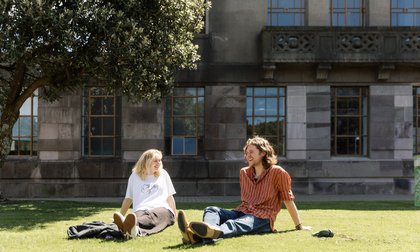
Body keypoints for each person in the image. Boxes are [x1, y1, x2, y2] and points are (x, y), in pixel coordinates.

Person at [177, 136, 311, 244]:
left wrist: (299, 226)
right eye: (246, 153)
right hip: (242, 211)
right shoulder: (244, 173)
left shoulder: (277, 172)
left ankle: (198, 235)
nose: (248, 156)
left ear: (263, 153)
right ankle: (204, 234)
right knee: (212, 209)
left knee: (233, 224)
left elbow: (288, 200)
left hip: (262, 218)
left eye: (251, 152)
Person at [113, 149, 177, 239]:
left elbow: (169, 196)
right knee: (138, 217)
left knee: (153, 218)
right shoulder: (134, 176)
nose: (158, 163)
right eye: (155, 160)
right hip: (141, 209)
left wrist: (175, 216)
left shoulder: (163, 174)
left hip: (162, 209)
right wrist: (121, 215)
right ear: (146, 161)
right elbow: (128, 199)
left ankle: (129, 226)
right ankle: (132, 229)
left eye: (160, 160)